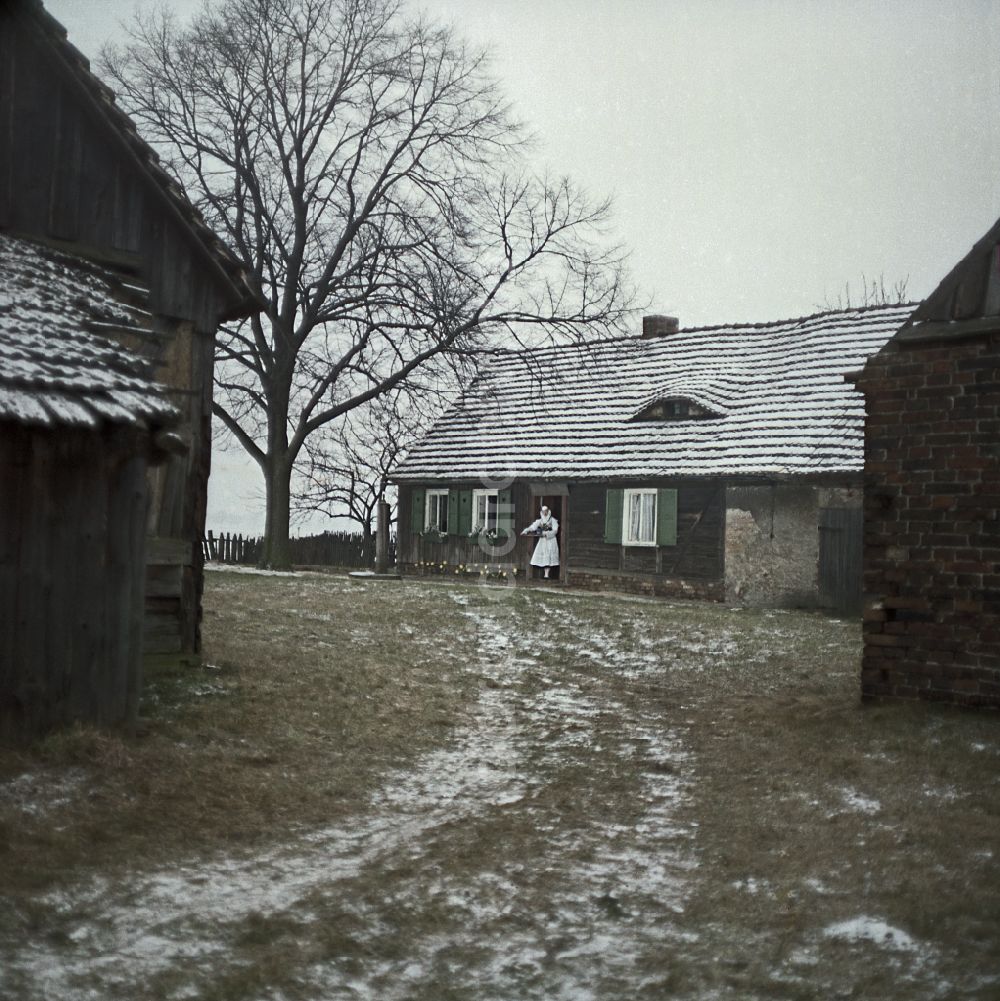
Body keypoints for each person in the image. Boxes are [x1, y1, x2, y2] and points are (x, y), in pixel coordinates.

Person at [521, 505, 559, 579]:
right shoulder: (540, 520)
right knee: (543, 555)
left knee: (549, 556)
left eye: (546, 511)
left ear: (548, 511)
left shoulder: (553, 520)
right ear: (541, 512)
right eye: (543, 511)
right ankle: (545, 574)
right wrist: (526, 531)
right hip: (543, 541)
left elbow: (555, 531)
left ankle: (547, 574)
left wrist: (547, 533)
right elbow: (533, 527)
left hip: (550, 540)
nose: (545, 513)